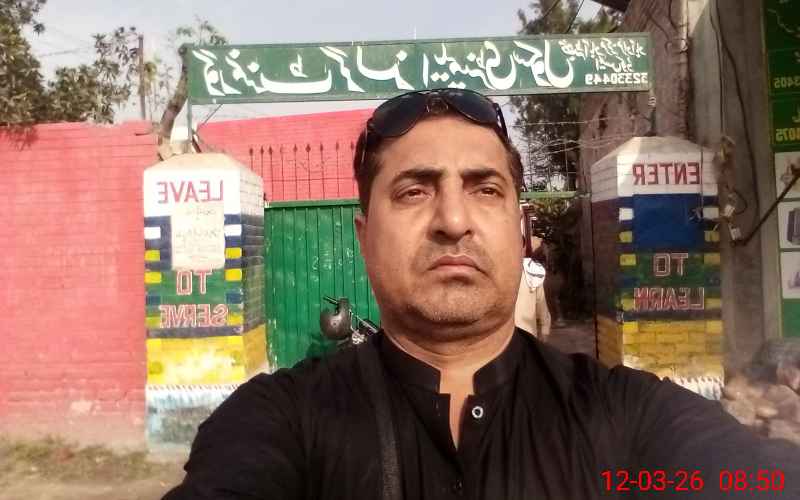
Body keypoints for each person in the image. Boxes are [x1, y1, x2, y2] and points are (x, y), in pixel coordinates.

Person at [164, 89, 798, 500]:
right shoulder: (283, 421)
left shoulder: (626, 418)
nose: (452, 220)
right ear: (364, 237)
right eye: (414, 190)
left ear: (520, 231)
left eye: (485, 189)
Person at [514, 231, 551, 339]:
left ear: (523, 248)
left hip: (527, 336)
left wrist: (545, 329)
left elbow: (541, 304)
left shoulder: (533, 273)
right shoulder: (495, 276)